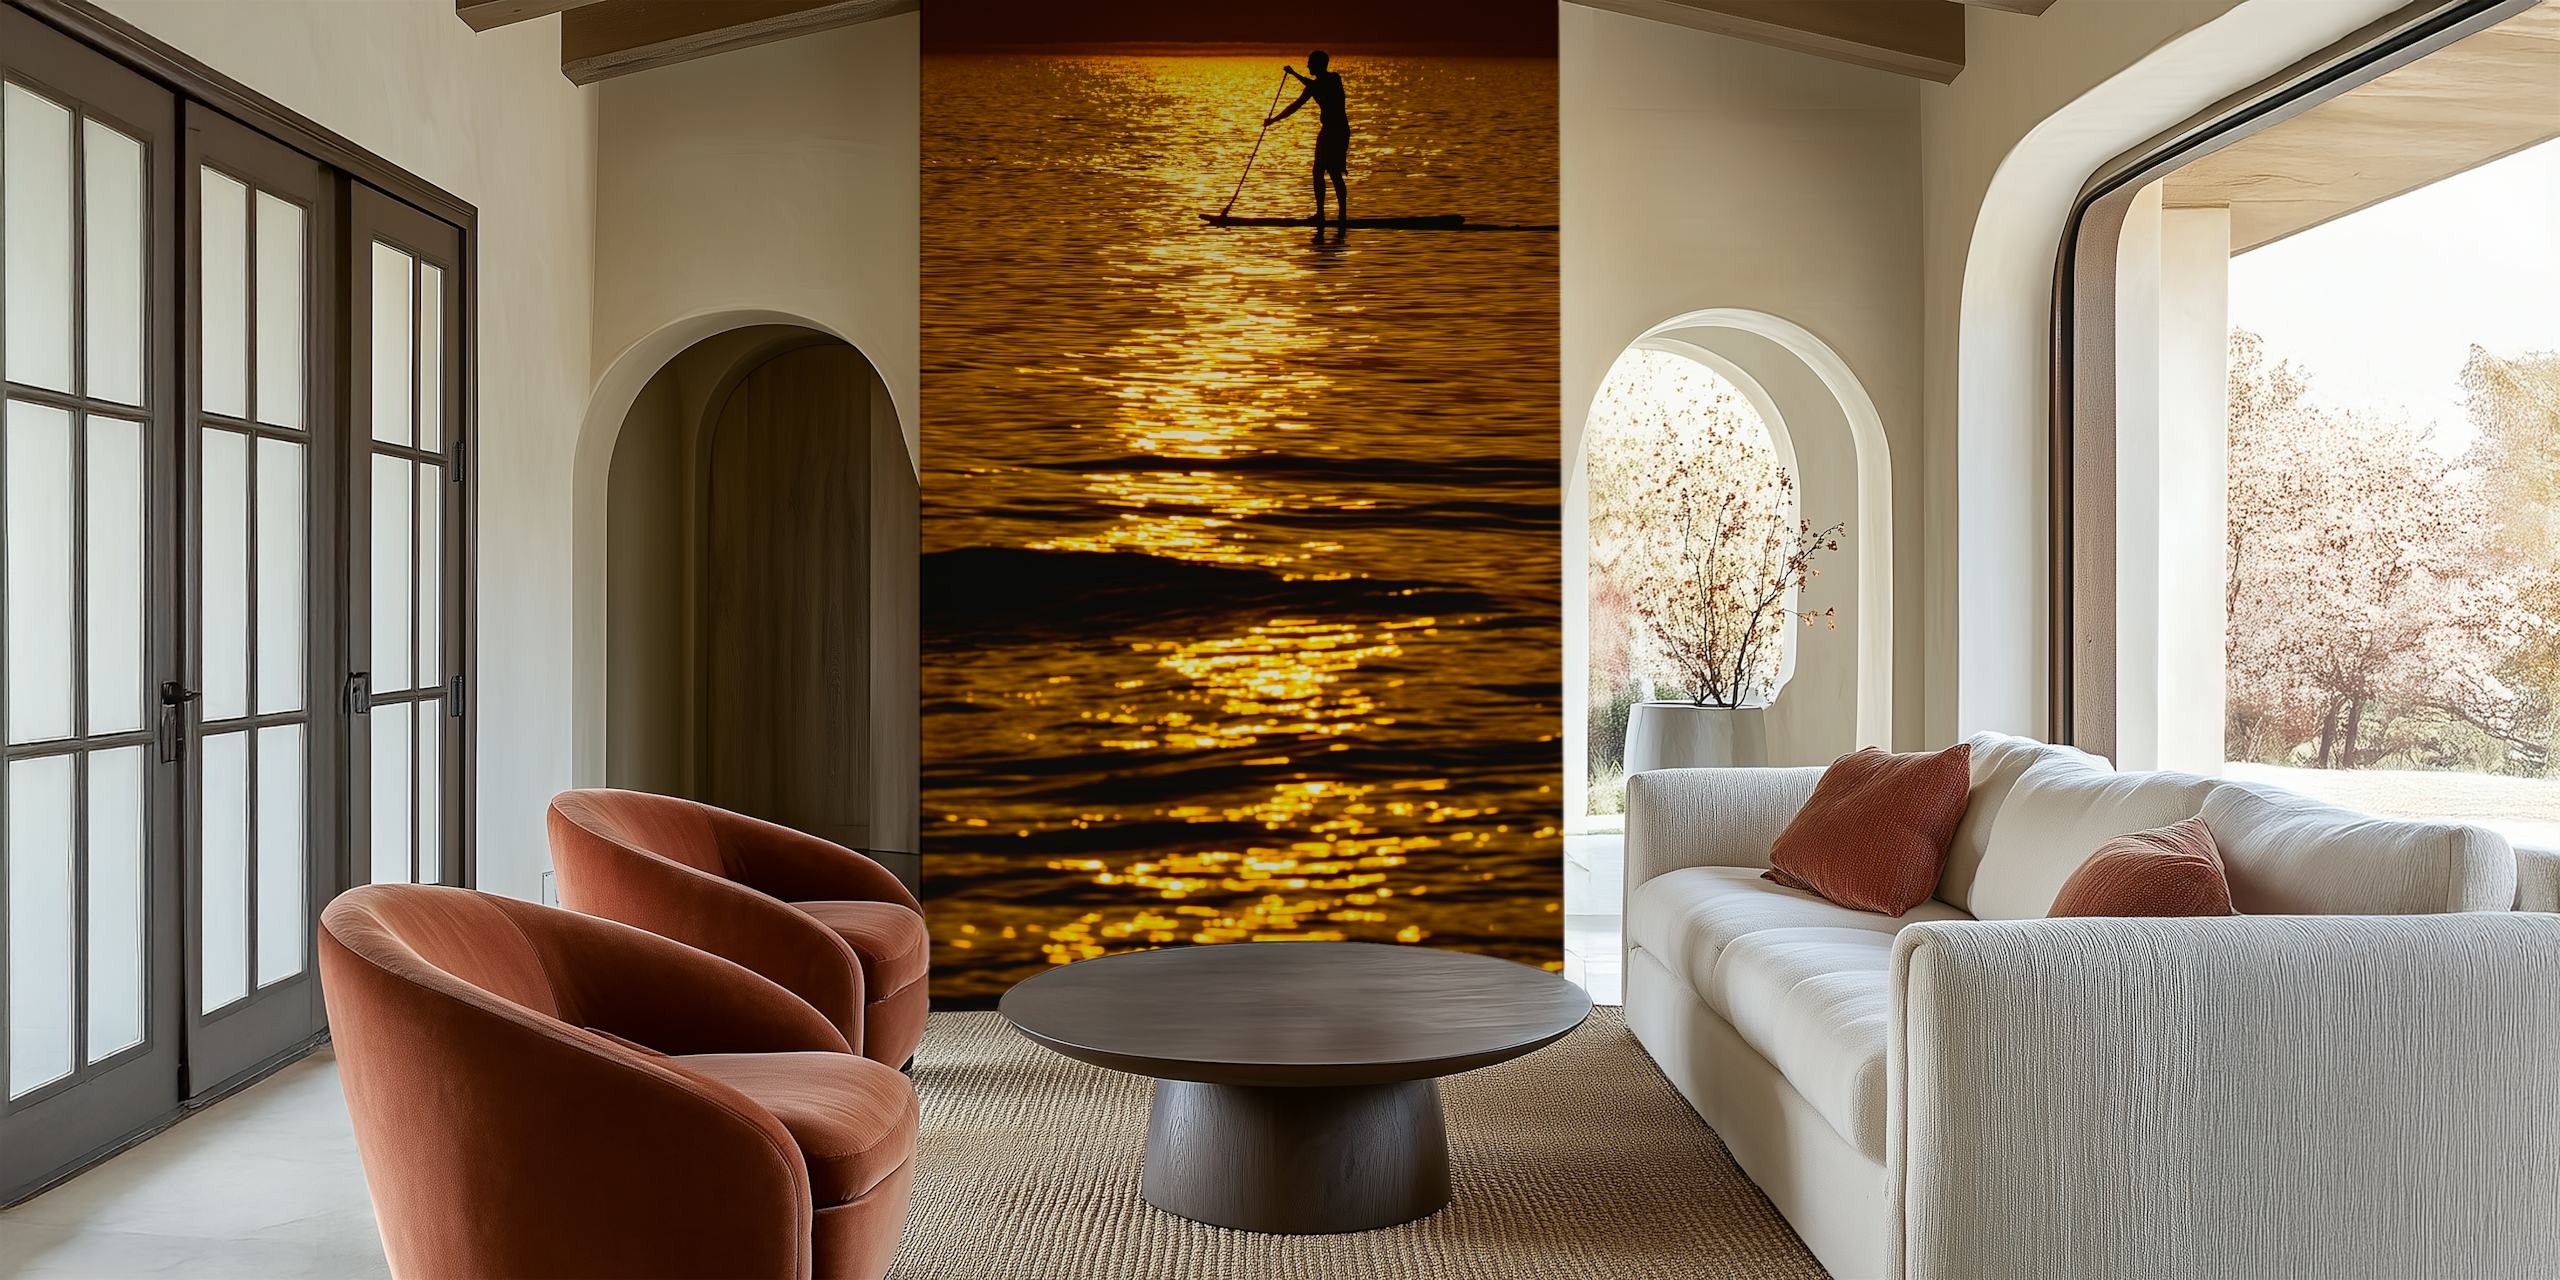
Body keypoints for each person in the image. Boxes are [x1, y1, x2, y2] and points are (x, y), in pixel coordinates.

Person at [1267, 50, 1349, 226]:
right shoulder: (1313, 86)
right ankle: (1321, 214)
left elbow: (1317, 86)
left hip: (1338, 131)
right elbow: (1294, 106)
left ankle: (1342, 215)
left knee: (1334, 172)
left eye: (1310, 63)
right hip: (1327, 130)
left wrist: (1294, 74)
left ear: (1319, 65)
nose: (1308, 66)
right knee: (1318, 171)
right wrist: (1273, 121)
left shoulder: (1334, 79)